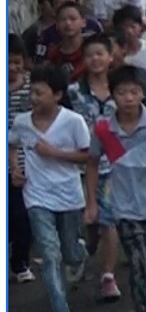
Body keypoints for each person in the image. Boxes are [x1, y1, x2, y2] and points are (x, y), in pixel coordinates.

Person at [86, 65, 146, 312]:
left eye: (134, 92)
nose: (128, 98)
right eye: (122, 92)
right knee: (138, 262)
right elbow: (92, 163)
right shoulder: (104, 129)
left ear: (143, 93)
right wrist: (92, 203)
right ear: (112, 94)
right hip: (124, 205)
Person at [8, 64, 90, 312]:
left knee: (70, 253)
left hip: (69, 195)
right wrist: (15, 169)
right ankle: (59, 305)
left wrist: (54, 153)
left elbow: (86, 156)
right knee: (50, 254)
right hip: (37, 195)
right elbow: (11, 144)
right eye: (32, 92)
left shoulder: (73, 121)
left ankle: (80, 252)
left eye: (39, 93)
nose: (33, 98)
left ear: (57, 95)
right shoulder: (22, 122)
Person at [66, 34, 123, 302]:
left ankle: (108, 277)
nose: (95, 59)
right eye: (90, 55)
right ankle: (85, 251)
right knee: (87, 220)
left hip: (114, 165)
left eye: (101, 53)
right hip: (80, 166)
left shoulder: (122, 89)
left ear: (110, 56)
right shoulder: (74, 92)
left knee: (108, 218)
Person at [7, 35, 36, 285]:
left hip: (26, 162)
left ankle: (20, 262)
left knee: (22, 216)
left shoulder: (32, 88)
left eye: (16, 62)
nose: (11, 67)